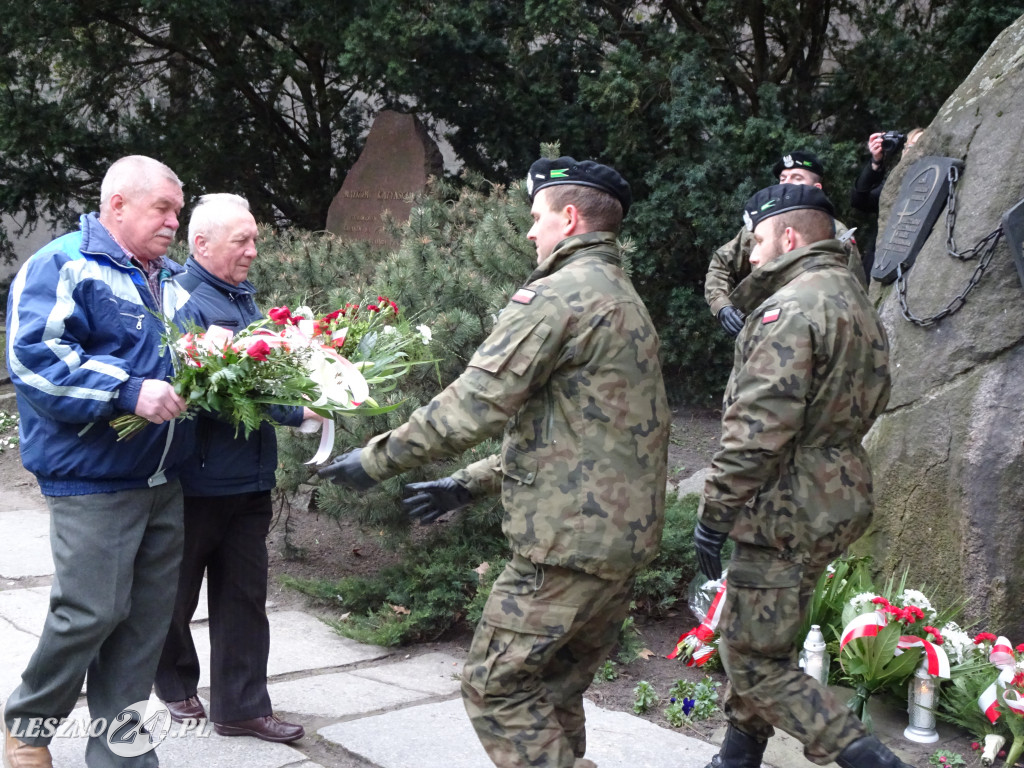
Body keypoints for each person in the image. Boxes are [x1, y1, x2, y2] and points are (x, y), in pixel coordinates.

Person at [318, 156, 670, 768]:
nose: (530, 233)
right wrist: (466, 484)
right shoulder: (623, 298)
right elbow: (587, 436)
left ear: (568, 217)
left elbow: (475, 403)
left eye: (536, 218)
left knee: (495, 687)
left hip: (563, 546)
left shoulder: (558, 295)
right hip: (617, 542)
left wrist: (375, 460)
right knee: (553, 688)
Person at [692, 184, 898, 768]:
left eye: (756, 242)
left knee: (755, 660)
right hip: (835, 495)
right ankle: (737, 755)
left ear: (788, 237)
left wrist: (714, 515)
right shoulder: (851, 298)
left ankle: (869, 758)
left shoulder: (791, 309)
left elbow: (756, 431)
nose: (751, 257)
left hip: (784, 505)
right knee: (766, 633)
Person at [3, 155, 191, 768]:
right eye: (162, 209)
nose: (173, 222)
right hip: (92, 478)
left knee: (144, 624)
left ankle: (121, 750)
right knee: (91, 612)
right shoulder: (63, 263)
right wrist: (125, 388)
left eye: (178, 212)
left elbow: (191, 362)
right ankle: (26, 730)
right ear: (117, 205)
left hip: (163, 478)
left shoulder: (169, 276)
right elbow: (34, 359)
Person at [153, 194, 318, 743]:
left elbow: (262, 371)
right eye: (241, 241)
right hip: (196, 479)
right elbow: (220, 390)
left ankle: (241, 705)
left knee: (244, 594)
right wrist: (296, 412)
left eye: (254, 240)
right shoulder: (184, 300)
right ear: (201, 245)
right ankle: (174, 684)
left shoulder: (240, 297)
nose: (253, 251)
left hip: (249, 476)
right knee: (177, 593)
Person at [704, 150, 866, 337]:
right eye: (783, 178)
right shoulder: (757, 229)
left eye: (797, 178)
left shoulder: (835, 234)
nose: (787, 183)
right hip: (760, 332)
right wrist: (721, 305)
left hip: (814, 334)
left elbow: (856, 293)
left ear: (816, 188)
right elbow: (721, 265)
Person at [850, 128, 926, 277]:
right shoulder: (895, 182)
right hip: (879, 261)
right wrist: (875, 162)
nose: (909, 151)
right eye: (907, 147)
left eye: (917, 146)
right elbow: (860, 201)